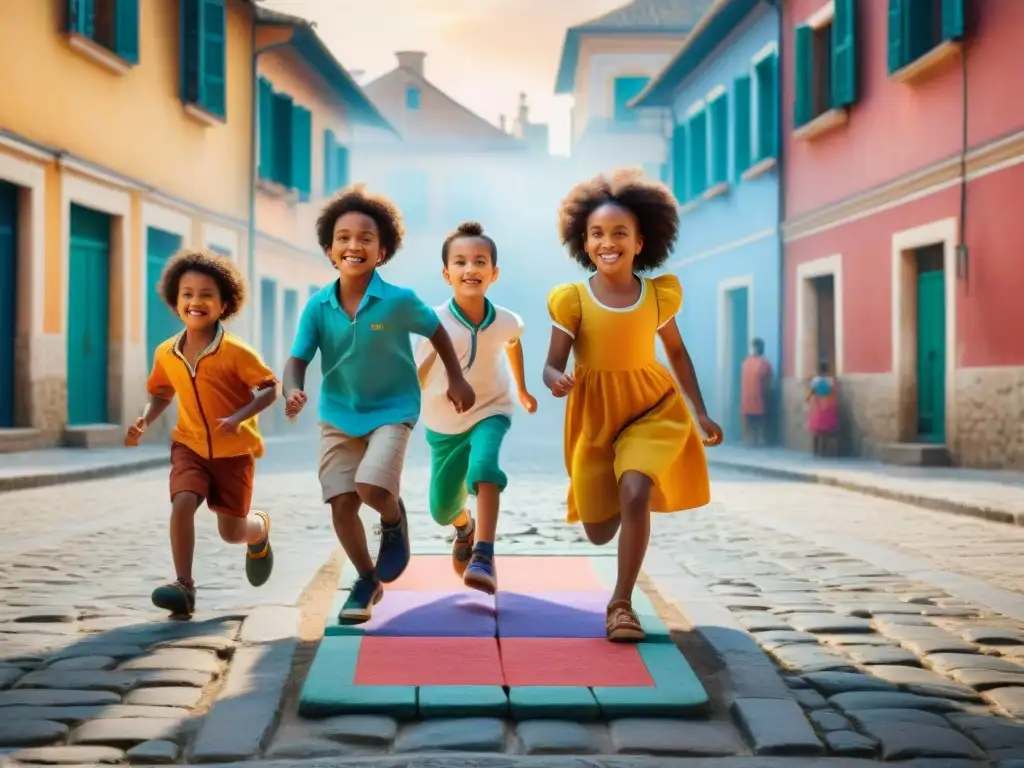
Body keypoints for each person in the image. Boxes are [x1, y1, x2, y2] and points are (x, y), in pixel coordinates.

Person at [543, 168, 724, 643]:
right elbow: (550, 364)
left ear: (641, 242)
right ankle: (624, 495)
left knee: (637, 489)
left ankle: (621, 603)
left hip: (652, 408)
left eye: (620, 233)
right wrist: (556, 380)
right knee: (598, 531)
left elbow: (677, 354)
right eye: (597, 234)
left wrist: (699, 410)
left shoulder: (658, 296)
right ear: (584, 243)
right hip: (595, 418)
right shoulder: (572, 301)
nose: (608, 242)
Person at [282, 184, 475, 625]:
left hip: (392, 409)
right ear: (330, 250)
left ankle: (392, 518)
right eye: (344, 237)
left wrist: (457, 377)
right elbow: (296, 361)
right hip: (337, 415)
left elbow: (436, 331)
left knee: (371, 488)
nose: (354, 245)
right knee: (341, 502)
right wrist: (292, 389)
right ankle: (367, 579)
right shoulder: (317, 307)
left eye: (366, 238)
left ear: (382, 250)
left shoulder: (399, 300)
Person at [125, 249, 279, 619]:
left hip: (233, 454)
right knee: (182, 502)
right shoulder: (166, 352)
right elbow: (161, 393)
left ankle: (258, 532)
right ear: (175, 300)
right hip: (189, 445)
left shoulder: (236, 352)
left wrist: (240, 417)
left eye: (206, 294)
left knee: (232, 531)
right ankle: (184, 586)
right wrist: (145, 419)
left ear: (224, 303)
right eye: (187, 294)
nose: (195, 302)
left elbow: (270, 388)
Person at [415, 222, 537, 594]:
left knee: (484, 468)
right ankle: (463, 527)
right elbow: (416, 374)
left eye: (480, 261)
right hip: (443, 425)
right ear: (446, 273)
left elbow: (513, 342)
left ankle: (484, 553)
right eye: (461, 262)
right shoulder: (432, 322)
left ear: (494, 273)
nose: (471, 268)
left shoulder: (505, 319)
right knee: (441, 509)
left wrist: (522, 388)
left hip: (492, 409)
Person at [740, 337, 773, 446]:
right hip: (758, 396)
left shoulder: (746, 362)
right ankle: (757, 440)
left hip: (748, 397)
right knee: (758, 420)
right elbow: (768, 381)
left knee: (751, 420)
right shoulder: (764, 363)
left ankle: (750, 441)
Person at [806, 358, 839, 456]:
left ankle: (816, 451)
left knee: (816, 431)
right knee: (825, 432)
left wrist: (807, 401)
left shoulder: (815, 381)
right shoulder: (830, 381)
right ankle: (823, 452)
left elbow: (810, 393)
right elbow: (833, 392)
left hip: (818, 406)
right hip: (828, 407)